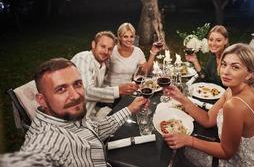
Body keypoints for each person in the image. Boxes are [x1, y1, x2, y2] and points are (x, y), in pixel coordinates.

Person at [0, 58, 148, 166]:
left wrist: (129, 109)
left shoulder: (68, 116)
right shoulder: (47, 143)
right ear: (42, 100)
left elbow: (95, 129)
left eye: (77, 84)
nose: (76, 95)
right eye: (61, 89)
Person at [163, 43, 254, 167]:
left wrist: (188, 140)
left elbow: (226, 152)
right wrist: (182, 98)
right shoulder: (236, 90)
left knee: (178, 153)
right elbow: (208, 119)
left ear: (250, 74)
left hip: (242, 163)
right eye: (224, 64)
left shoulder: (235, 105)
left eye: (235, 67)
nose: (225, 71)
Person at [71, 31, 138, 118]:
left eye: (110, 49)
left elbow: (98, 89)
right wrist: (118, 90)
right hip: (72, 119)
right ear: (93, 45)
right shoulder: (84, 58)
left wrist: (122, 89)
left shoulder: (102, 65)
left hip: (89, 115)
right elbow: (86, 92)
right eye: (103, 46)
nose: (106, 52)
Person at [105, 22, 162, 87]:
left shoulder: (137, 51)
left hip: (128, 90)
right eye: (125, 36)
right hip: (110, 89)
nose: (129, 40)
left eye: (131, 36)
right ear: (120, 37)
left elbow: (146, 71)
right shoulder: (112, 50)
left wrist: (153, 53)